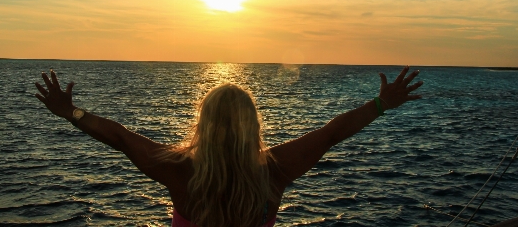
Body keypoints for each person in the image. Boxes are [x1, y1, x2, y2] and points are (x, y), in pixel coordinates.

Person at [35, 66, 423, 227]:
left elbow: (120, 137)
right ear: (252, 125)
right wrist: (381, 104)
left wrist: (71, 112)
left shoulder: (179, 170)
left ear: (202, 122)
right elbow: (329, 134)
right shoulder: (274, 170)